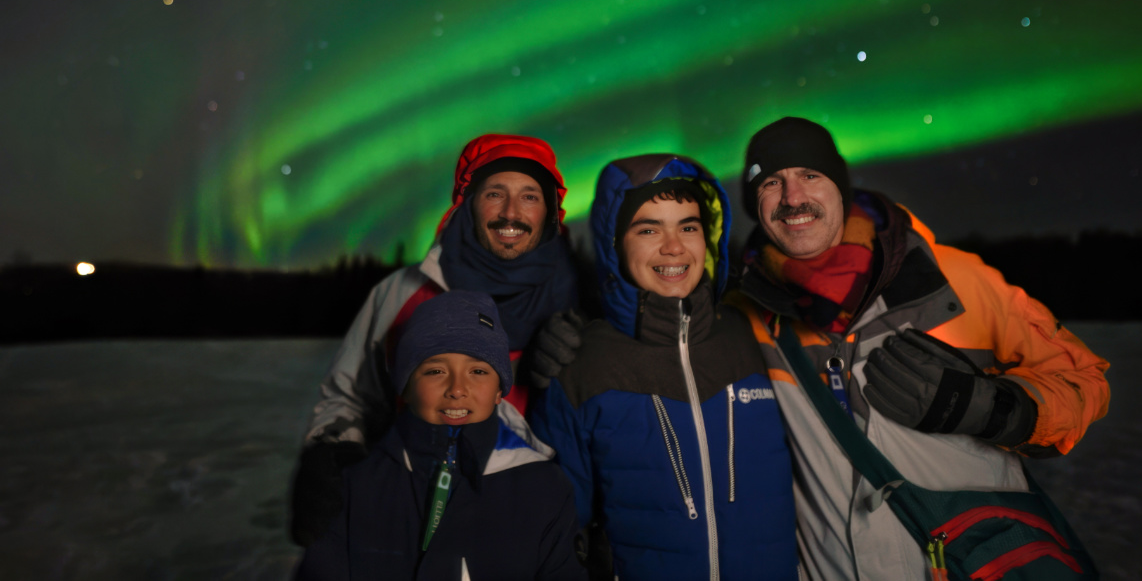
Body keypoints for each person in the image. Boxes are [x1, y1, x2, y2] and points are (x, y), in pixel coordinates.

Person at [728, 116, 1111, 581]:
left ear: (841, 186)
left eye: (811, 175)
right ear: (755, 201)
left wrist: (993, 410)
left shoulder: (957, 279)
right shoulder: (746, 317)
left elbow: (1086, 381)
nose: (793, 198)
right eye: (772, 182)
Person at [290, 134, 581, 546]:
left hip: (531, 536)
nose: (511, 212)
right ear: (467, 203)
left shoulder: (585, 300)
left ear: (552, 211)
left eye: (530, 197)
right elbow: (350, 395)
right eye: (495, 193)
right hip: (413, 528)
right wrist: (333, 454)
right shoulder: (402, 292)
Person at [530, 154, 800, 581]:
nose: (673, 247)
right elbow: (553, 532)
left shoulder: (756, 336)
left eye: (688, 227)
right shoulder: (580, 367)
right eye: (649, 229)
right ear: (614, 242)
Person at [296, 290, 586, 581]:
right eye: (435, 371)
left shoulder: (543, 486)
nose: (457, 389)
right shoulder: (356, 484)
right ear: (406, 387)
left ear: (500, 390)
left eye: (478, 371)